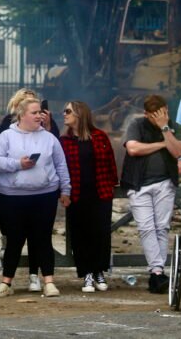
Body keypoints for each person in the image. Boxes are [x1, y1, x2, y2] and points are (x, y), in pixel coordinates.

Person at [0, 97, 71, 298]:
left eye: (40, 113)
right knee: (15, 240)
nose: (39, 116)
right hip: (12, 197)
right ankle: (6, 283)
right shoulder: (7, 136)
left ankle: (49, 282)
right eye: (34, 112)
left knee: (43, 238)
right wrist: (18, 164)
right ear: (22, 115)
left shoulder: (50, 138)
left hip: (45, 196)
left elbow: (61, 165)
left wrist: (65, 189)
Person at [123, 94, 181, 293]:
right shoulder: (137, 124)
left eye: (163, 114)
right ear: (146, 114)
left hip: (165, 183)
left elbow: (177, 151)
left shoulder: (175, 127)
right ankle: (157, 271)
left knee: (161, 227)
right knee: (146, 227)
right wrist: (161, 145)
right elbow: (133, 148)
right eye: (155, 116)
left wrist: (165, 128)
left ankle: (157, 272)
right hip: (138, 183)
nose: (159, 118)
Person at [60, 100, 118, 293]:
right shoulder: (65, 140)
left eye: (68, 111)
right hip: (76, 195)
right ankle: (86, 274)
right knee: (80, 235)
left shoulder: (100, 137)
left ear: (79, 114)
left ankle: (99, 271)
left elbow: (110, 163)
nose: (64, 114)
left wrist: (112, 187)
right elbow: (61, 168)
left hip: (100, 193)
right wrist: (63, 191)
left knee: (100, 234)